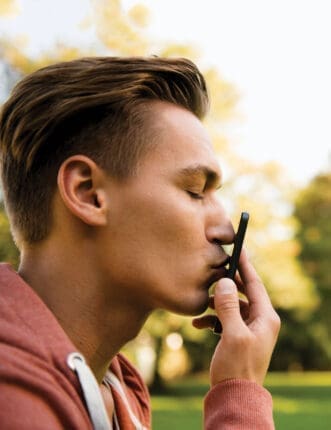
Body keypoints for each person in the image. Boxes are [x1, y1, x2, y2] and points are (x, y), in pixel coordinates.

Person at [0, 56, 280, 429]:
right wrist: (240, 395)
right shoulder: (12, 395)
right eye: (195, 191)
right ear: (88, 192)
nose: (226, 230)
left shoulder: (119, 392)